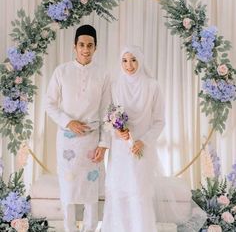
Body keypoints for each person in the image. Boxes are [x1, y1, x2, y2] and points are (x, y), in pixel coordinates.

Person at [101, 45, 206, 232]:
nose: (129, 65)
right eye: (124, 60)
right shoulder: (115, 86)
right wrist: (117, 132)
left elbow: (159, 121)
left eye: (133, 60)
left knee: (140, 194)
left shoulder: (152, 86)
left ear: (140, 61)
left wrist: (143, 141)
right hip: (120, 152)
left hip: (143, 150)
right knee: (118, 194)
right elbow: (107, 117)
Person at [45, 24, 110, 232]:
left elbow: (106, 111)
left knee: (90, 192)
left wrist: (104, 143)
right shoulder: (61, 71)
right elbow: (49, 104)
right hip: (67, 141)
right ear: (74, 46)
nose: (85, 49)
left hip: (92, 141)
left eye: (90, 45)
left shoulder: (103, 74)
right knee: (69, 190)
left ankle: (91, 229)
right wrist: (68, 122)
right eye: (81, 44)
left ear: (95, 48)